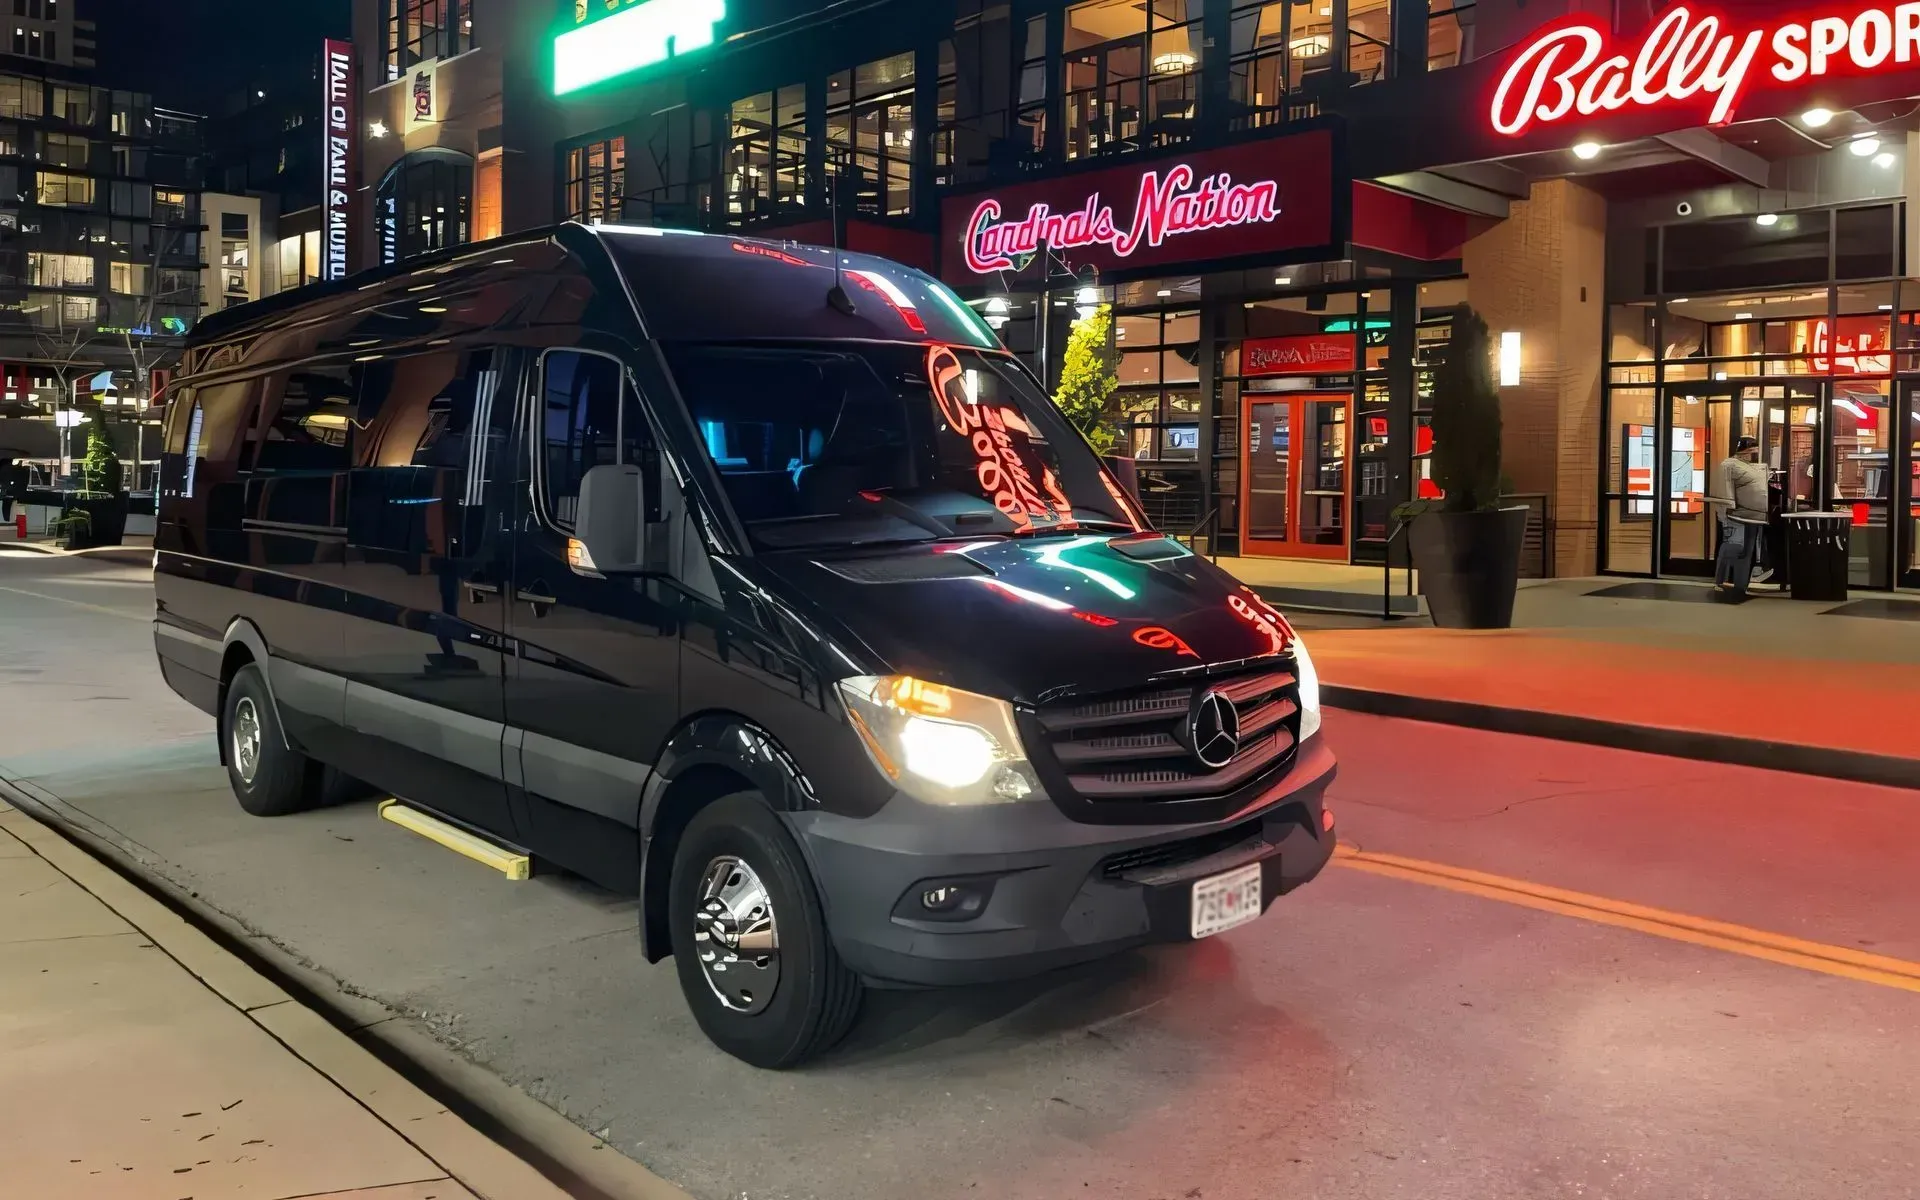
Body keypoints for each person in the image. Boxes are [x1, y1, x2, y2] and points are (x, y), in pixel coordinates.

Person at [1708, 435, 1769, 598]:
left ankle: (1741, 584)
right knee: (1733, 547)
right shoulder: (1728, 465)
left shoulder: (1751, 468)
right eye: (1751, 451)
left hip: (1753, 517)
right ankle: (1723, 581)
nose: (1753, 455)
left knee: (1746, 552)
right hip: (1735, 516)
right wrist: (1724, 516)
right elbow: (1723, 492)